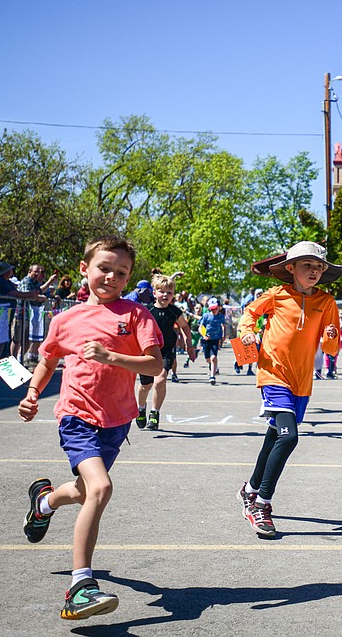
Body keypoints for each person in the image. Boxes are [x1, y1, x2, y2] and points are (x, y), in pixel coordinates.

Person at [17, 237, 163, 620]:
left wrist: (111, 355)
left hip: (117, 421)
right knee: (100, 488)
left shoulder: (136, 314)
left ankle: (43, 503)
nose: (111, 277)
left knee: (85, 492)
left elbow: (153, 366)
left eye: (121, 272)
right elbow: (48, 361)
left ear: (129, 277)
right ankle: (80, 586)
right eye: (104, 268)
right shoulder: (65, 320)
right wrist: (32, 393)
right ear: (85, 269)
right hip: (77, 416)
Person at [236, 242, 342, 538]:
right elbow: (249, 315)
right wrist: (247, 334)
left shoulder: (327, 302)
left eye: (319, 267)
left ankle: (249, 489)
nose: (314, 271)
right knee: (289, 436)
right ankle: (261, 504)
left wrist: (331, 335)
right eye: (307, 265)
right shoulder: (276, 295)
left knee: (274, 436)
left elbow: (331, 347)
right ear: (291, 268)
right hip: (272, 373)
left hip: (302, 381)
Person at [136, 274, 196, 431]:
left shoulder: (174, 311)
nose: (165, 295)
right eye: (161, 291)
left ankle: (154, 414)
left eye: (169, 292)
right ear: (154, 293)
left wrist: (189, 346)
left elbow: (185, 327)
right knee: (145, 385)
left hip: (167, 350)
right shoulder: (145, 310)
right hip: (147, 351)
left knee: (160, 379)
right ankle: (141, 408)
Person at [0, 261, 39, 367]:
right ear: (6, 272)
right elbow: (13, 293)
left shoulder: (7, 281)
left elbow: (15, 289)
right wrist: (30, 294)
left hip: (4, 314)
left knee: (1, 338)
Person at [16, 264, 60, 366]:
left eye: (40, 272)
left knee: (27, 340)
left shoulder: (35, 283)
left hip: (31, 313)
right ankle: (15, 360)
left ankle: (20, 359)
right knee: (17, 339)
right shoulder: (26, 281)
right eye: (36, 271)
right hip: (21, 313)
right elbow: (27, 294)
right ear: (29, 271)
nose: (38, 274)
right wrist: (39, 297)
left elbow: (41, 290)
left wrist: (50, 282)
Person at [198, 298, 226, 384]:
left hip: (215, 339)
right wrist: (204, 335)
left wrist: (224, 335)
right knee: (208, 358)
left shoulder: (221, 317)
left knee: (213, 357)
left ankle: (212, 376)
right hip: (206, 339)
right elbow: (200, 327)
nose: (214, 311)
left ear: (219, 308)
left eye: (216, 308)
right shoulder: (206, 316)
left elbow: (223, 325)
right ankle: (211, 364)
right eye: (212, 309)